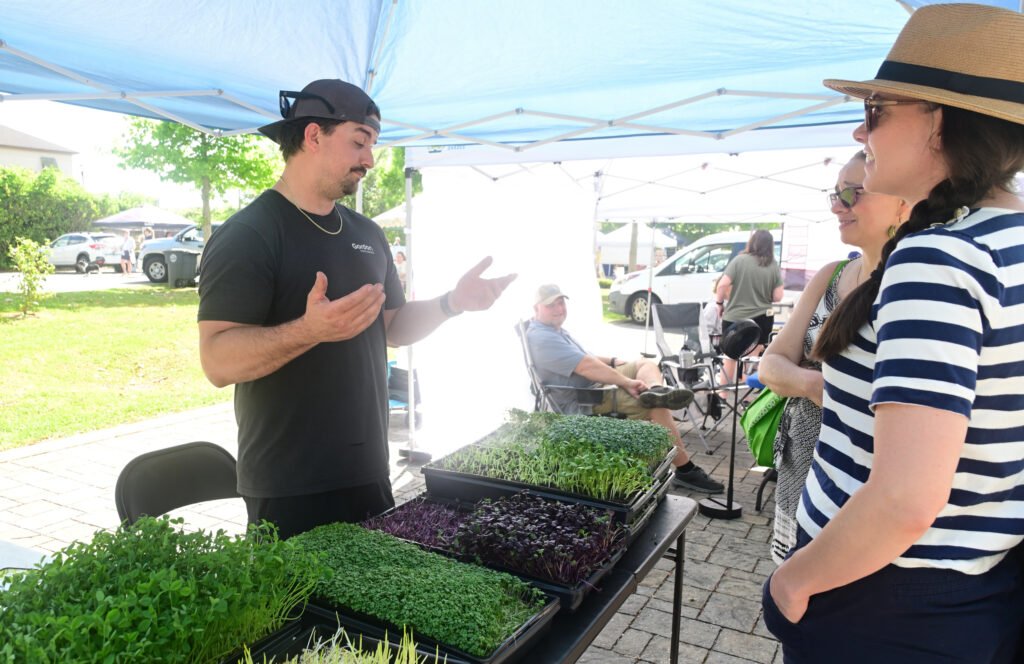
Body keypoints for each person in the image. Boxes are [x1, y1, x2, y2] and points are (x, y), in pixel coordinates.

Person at [763, 5, 1024, 662]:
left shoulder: (941, 258)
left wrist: (796, 581)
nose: (861, 128)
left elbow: (906, 497)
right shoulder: (1006, 243)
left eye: (877, 110)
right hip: (974, 587)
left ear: (938, 119)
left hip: (881, 595)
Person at [197, 79, 516, 539]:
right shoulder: (251, 233)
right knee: (301, 613)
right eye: (360, 142)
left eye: (373, 145)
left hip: (368, 471)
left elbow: (392, 328)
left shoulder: (368, 233)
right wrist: (309, 330)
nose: (369, 159)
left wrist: (452, 303)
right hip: (289, 485)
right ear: (312, 136)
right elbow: (217, 361)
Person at [758, 150, 908, 564]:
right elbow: (771, 364)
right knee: (793, 574)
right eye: (835, 193)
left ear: (903, 201)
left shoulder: (913, 285)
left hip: (860, 475)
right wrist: (816, 384)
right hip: (802, 457)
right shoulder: (833, 274)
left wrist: (804, 378)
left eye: (853, 192)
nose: (838, 205)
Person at [527, 284, 724, 494]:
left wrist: (613, 360)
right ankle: (685, 470)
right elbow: (586, 366)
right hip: (585, 399)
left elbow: (587, 357)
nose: (559, 309)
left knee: (643, 363)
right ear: (536, 308)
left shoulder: (553, 330)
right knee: (655, 408)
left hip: (594, 386)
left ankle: (656, 389)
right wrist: (626, 382)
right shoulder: (543, 338)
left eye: (561, 302)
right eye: (551, 305)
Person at [714, 229, 784, 388]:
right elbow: (778, 296)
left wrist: (719, 304)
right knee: (753, 356)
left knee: (730, 356)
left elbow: (722, 285)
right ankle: (747, 393)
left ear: (752, 242)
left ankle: (723, 394)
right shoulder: (772, 264)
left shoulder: (739, 261)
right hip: (761, 318)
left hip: (734, 317)